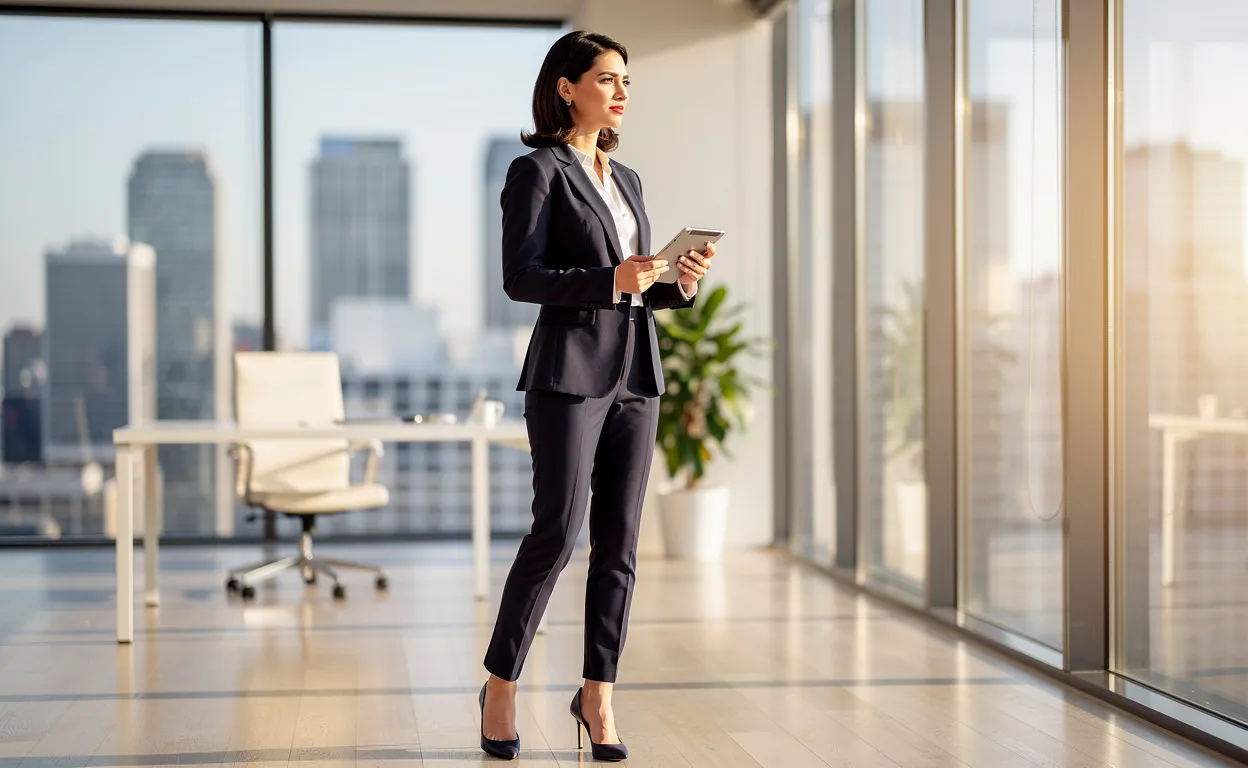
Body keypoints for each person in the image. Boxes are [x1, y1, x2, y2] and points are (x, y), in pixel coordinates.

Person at [477, 29, 715, 762]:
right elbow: (522, 279)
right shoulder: (536, 171)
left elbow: (638, 289)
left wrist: (676, 282)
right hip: (568, 378)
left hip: (635, 378)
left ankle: (597, 695)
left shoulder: (628, 179)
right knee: (556, 532)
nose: (621, 91)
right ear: (566, 88)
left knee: (620, 545)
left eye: (626, 81)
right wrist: (611, 281)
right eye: (607, 78)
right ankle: (501, 684)